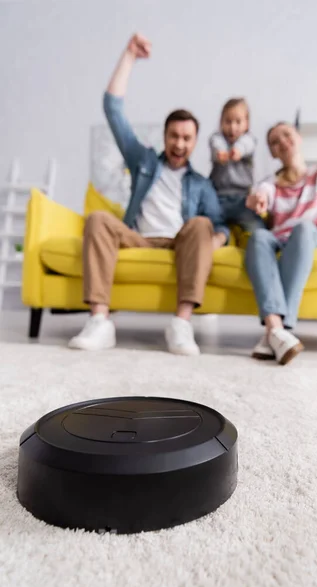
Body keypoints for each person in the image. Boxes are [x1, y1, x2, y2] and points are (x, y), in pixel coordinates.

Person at [68, 33, 229, 355]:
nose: (180, 144)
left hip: (178, 241)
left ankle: (181, 325)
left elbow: (220, 225)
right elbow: (112, 109)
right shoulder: (142, 161)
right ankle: (100, 322)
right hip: (137, 236)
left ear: (195, 141)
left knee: (200, 223)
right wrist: (129, 56)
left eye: (187, 138)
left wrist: (213, 241)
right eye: (174, 136)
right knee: (99, 218)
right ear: (165, 136)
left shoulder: (201, 184)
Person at [245, 70, 317, 365]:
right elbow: (260, 196)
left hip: (307, 237)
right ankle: (277, 330)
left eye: (286, 134)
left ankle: (276, 330)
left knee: (302, 227)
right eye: (275, 141)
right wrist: (257, 199)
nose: (282, 142)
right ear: (272, 152)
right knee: (259, 236)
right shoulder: (269, 183)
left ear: (298, 137)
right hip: (279, 240)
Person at [209, 98, 264, 232]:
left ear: (247, 124)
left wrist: (238, 150)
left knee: (258, 229)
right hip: (218, 198)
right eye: (228, 121)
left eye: (238, 122)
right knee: (209, 223)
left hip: (242, 199)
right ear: (221, 123)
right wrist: (221, 153)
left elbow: (246, 145)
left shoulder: (248, 140)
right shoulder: (217, 139)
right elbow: (216, 144)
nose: (233, 127)